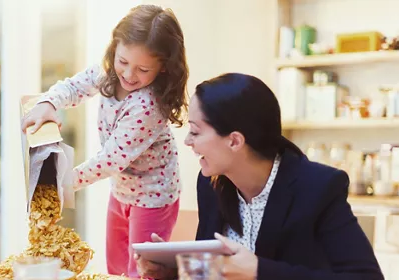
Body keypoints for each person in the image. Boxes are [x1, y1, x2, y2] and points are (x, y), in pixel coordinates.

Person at [135, 73, 384, 280]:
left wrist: (258, 270)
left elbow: (366, 277)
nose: (188, 142)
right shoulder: (211, 183)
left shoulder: (318, 188)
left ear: (234, 141)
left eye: (195, 132)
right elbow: (216, 272)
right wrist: (174, 272)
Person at [20, 4, 189, 277]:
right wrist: (50, 102)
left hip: (153, 198)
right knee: (115, 267)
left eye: (143, 69)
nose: (129, 75)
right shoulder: (108, 72)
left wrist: (65, 183)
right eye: (123, 61)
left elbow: (112, 159)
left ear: (164, 68)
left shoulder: (148, 106)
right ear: (114, 49)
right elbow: (75, 85)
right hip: (121, 189)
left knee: (141, 272)